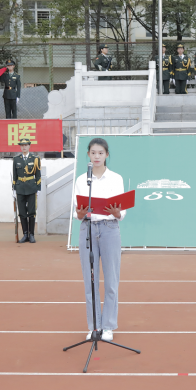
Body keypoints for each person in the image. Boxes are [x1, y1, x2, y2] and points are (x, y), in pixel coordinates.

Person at [73, 138, 127, 342]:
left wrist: (116, 212)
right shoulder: (82, 180)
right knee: (90, 281)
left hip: (110, 228)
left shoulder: (116, 178)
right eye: (93, 153)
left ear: (107, 155)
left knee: (111, 280)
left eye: (100, 153)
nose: (97, 156)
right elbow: (76, 212)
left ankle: (109, 326)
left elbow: (122, 210)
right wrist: (80, 214)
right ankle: (94, 326)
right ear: (88, 154)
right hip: (87, 228)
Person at [13, 138, 41, 243]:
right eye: (22, 145)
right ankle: (25, 234)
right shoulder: (16, 159)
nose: (24, 147)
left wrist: (38, 188)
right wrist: (14, 189)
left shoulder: (35, 158)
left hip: (31, 188)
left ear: (29, 146)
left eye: (25, 145)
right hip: (20, 188)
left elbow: (38, 174)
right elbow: (15, 175)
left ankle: (31, 234)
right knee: (22, 212)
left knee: (32, 212)